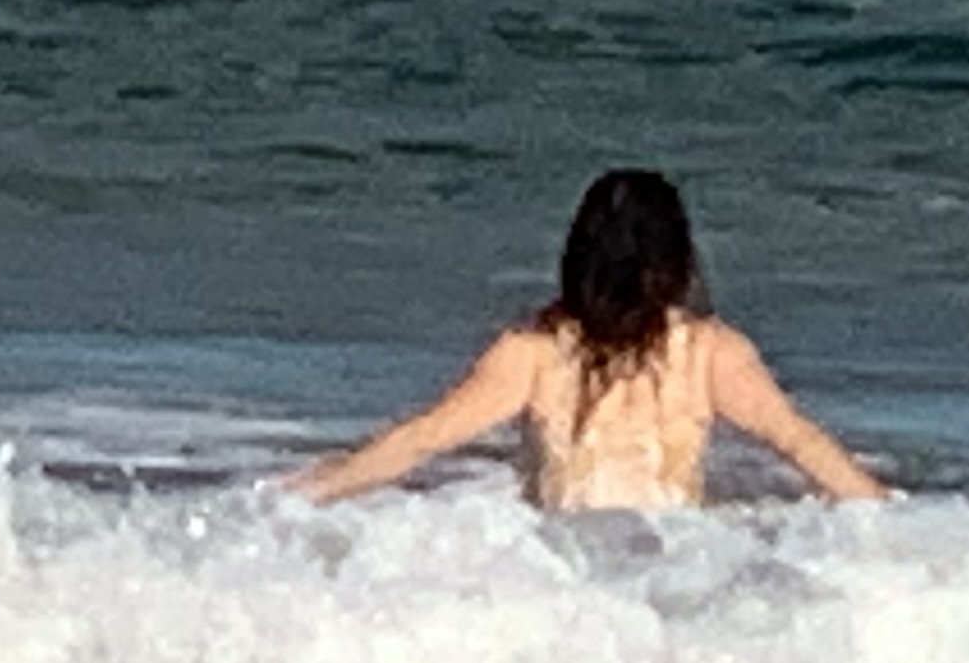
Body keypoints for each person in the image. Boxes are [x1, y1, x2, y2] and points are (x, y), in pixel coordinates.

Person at [292, 168, 891, 509]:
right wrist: (900, 526)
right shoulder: (709, 353)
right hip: (671, 581)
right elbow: (803, 445)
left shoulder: (533, 353)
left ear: (580, 256)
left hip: (570, 592)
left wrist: (299, 498)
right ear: (676, 260)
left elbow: (422, 439)